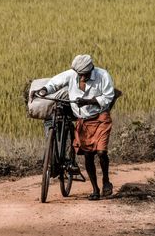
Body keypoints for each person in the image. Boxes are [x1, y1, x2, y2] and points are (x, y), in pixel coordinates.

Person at [35, 54, 115, 200]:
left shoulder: (103, 75)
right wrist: (44, 90)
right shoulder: (71, 75)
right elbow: (55, 83)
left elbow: (108, 97)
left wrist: (88, 101)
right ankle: (95, 190)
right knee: (88, 155)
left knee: (102, 152)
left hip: (100, 117)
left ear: (91, 70)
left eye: (85, 75)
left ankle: (106, 181)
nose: (82, 78)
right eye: (80, 75)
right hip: (83, 120)